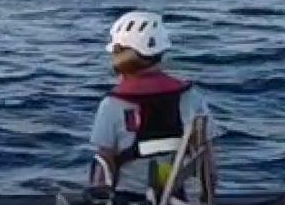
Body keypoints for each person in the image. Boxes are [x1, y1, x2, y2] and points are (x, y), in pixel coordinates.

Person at [89, 10, 217, 194]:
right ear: (161, 53)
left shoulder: (112, 104)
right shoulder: (191, 97)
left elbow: (105, 164)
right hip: (183, 199)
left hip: (129, 199)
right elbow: (207, 157)